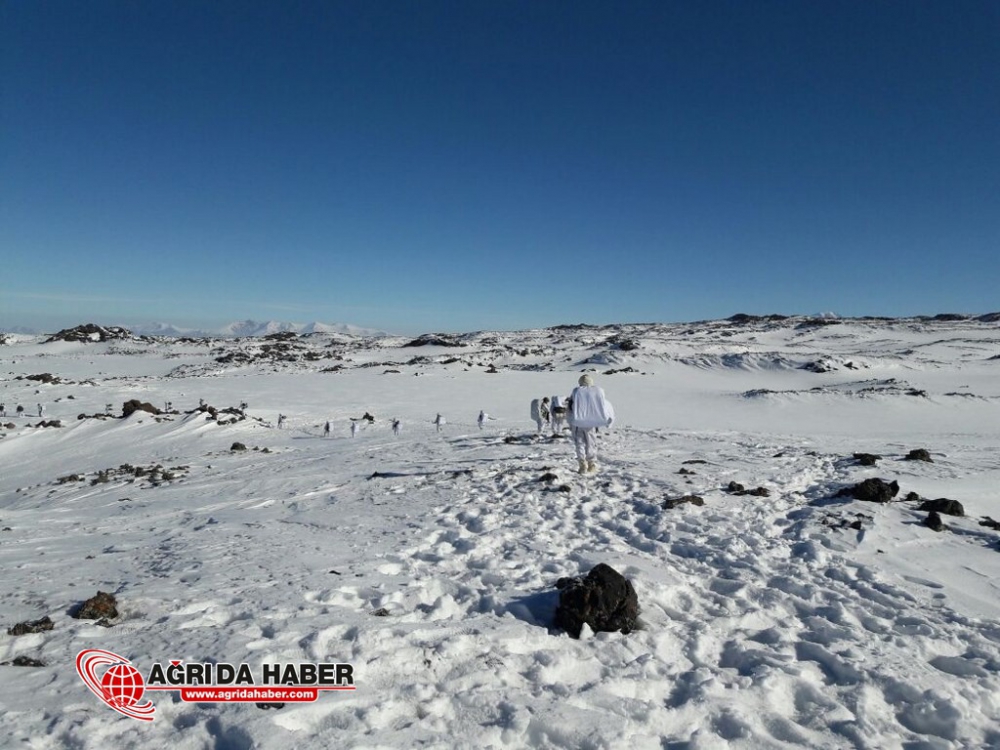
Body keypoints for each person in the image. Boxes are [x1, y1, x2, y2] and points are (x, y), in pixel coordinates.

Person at [568, 374, 615, 474]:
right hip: (592, 423)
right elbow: (604, 405)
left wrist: (570, 420)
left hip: (578, 423)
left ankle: (582, 464)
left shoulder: (576, 392)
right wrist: (608, 420)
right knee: (591, 443)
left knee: (579, 443)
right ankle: (592, 463)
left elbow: (570, 407)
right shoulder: (598, 391)